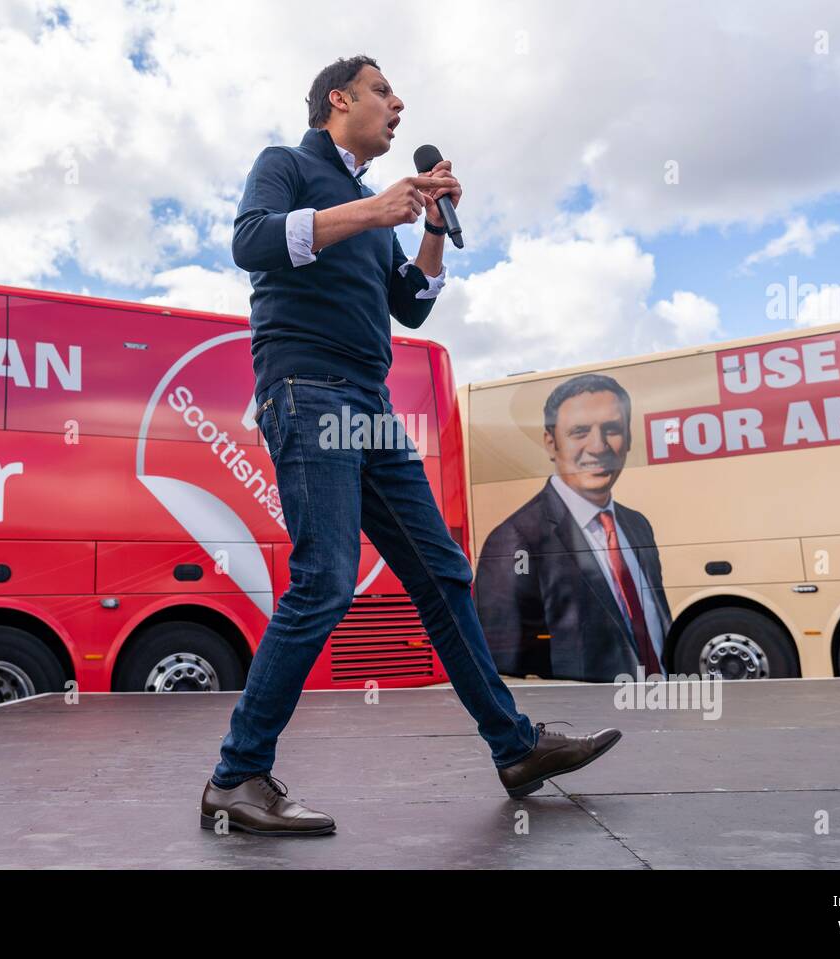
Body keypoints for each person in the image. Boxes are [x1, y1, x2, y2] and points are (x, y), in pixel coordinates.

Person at [201, 55, 621, 837]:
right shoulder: (287, 165)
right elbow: (250, 243)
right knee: (324, 580)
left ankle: (516, 746)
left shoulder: (373, 202)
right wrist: (375, 211)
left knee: (443, 572)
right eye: (383, 92)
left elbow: (412, 305)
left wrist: (428, 226)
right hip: (308, 389)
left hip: (369, 405)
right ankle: (236, 776)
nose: (398, 106)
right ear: (340, 98)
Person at [476, 373, 673, 682]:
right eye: (580, 432)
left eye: (612, 429)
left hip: (657, 709)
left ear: (629, 438)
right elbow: (507, 667)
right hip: (590, 718)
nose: (598, 446)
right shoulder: (514, 539)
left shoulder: (637, 525)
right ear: (551, 443)